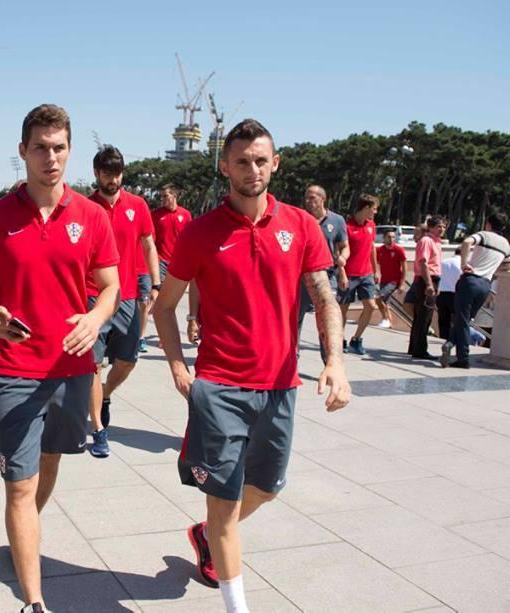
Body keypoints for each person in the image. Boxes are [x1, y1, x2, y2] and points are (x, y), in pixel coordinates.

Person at [153, 119, 350, 613]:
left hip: (280, 384)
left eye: (261, 160)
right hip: (219, 387)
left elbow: (324, 297)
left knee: (265, 489)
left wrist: (335, 361)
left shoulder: (301, 226)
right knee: (223, 503)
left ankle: (206, 536)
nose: (252, 169)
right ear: (225, 166)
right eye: (242, 161)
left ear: (275, 163)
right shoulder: (201, 232)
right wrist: (177, 366)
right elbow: (164, 305)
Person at [0, 104, 120, 612]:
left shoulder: (92, 216)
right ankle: (34, 600)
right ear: (23, 151)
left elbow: (110, 286)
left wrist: (95, 319)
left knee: (50, 462)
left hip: (70, 371)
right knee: (20, 485)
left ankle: (22, 536)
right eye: (40, 148)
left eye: (58, 148)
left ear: (69, 151)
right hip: (14, 372)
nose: (50, 157)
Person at [85, 145, 159, 457]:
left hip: (126, 295)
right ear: (96, 174)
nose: (112, 179)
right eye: (106, 173)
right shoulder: (86, 207)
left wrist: (156, 283)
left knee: (127, 360)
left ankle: (105, 395)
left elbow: (149, 245)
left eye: (116, 174)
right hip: (91, 294)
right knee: (93, 365)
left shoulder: (137, 206)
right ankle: (99, 429)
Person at [442, 213, 510, 368]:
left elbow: (467, 242)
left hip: (470, 281)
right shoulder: (506, 244)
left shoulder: (484, 235)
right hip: (485, 285)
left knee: (462, 320)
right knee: (466, 320)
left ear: (488, 224)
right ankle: (450, 343)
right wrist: (492, 268)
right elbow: (507, 264)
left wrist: (464, 264)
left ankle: (463, 359)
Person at [297, 185, 348, 360]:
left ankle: (330, 361)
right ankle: (292, 357)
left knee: (327, 316)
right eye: (306, 197)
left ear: (322, 199)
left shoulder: (337, 221)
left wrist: (343, 261)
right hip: (302, 277)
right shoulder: (300, 218)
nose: (308, 201)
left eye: (312, 197)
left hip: (328, 275)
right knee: (295, 317)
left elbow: (344, 246)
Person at [145, 183, 192, 348]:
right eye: (162, 196)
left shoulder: (185, 215)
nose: (163, 199)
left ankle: (159, 327)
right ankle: (161, 336)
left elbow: (189, 239)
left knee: (170, 302)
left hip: (178, 262)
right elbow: (149, 240)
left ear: (174, 196)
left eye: (166, 196)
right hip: (160, 261)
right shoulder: (156, 215)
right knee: (160, 299)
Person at [338, 194, 380, 355]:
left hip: (366, 274)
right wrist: (342, 273)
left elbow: (372, 249)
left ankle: (356, 339)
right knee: (343, 310)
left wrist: (376, 270)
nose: (375, 212)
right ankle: (339, 339)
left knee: (371, 306)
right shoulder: (347, 226)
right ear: (366, 207)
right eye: (374, 209)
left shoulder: (371, 225)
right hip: (349, 274)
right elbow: (339, 252)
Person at [408, 215, 446, 360]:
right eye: (438, 226)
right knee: (424, 317)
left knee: (422, 316)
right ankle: (420, 350)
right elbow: (423, 262)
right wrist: (429, 284)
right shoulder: (427, 241)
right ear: (430, 227)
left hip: (432, 279)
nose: (441, 229)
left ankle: (415, 347)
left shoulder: (437, 242)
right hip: (426, 279)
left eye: (443, 226)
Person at [375, 230, 407, 328]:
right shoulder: (379, 250)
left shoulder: (398, 250)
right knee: (385, 303)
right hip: (384, 280)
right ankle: (390, 324)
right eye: (389, 237)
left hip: (394, 281)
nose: (391, 239)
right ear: (384, 238)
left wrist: (402, 284)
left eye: (393, 237)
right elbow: (375, 263)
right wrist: (376, 274)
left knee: (378, 299)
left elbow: (405, 268)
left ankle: (385, 319)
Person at [434, 247, 463, 351]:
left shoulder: (443, 262)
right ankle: (453, 340)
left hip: (441, 294)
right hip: (455, 294)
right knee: (457, 319)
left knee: (443, 320)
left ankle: (443, 339)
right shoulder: (462, 264)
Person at [402, 223, 428, 320]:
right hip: (417, 279)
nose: (414, 236)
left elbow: (425, 262)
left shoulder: (425, 243)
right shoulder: (420, 244)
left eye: (416, 233)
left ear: (424, 233)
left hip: (422, 279)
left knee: (413, 304)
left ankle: (420, 323)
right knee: (408, 304)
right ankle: (418, 322)